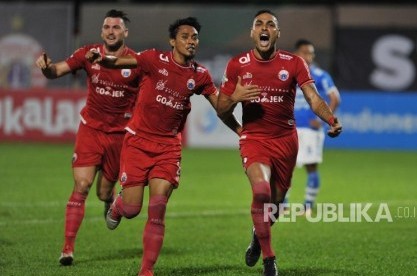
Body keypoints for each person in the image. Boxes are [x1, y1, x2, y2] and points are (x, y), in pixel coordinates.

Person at [85, 17, 244, 276]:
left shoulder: (199, 75)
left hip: (168, 148)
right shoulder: (153, 59)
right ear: (173, 41)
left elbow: (221, 109)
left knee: (158, 208)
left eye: (194, 37)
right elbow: (119, 61)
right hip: (137, 143)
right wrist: (100, 59)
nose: (191, 41)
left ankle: (146, 270)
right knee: (133, 209)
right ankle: (118, 205)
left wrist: (239, 127)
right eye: (185, 37)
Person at [216, 10, 342, 276]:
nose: (264, 28)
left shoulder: (294, 63)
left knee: (274, 205)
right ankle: (270, 261)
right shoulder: (237, 64)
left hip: (286, 141)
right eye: (259, 24)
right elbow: (221, 109)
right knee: (261, 193)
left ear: (277, 33)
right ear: (252, 33)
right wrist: (235, 97)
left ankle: (256, 237)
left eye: (270, 24)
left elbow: (313, 98)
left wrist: (331, 119)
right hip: (255, 139)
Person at [35, 10, 142, 266]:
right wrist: (47, 68)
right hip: (90, 130)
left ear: (125, 32)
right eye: (107, 27)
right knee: (81, 185)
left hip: (118, 136)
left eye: (116, 27)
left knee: (104, 192)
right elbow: (57, 70)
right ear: (101, 31)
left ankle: (109, 200)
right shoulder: (88, 53)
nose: (111, 31)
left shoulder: (136, 62)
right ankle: (67, 248)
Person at [285, 39, 341, 215]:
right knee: (285, 167)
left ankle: (308, 206)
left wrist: (325, 119)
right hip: (290, 128)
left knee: (311, 166)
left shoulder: (321, 75)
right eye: (304, 52)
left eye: (311, 53)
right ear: (296, 54)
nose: (308, 56)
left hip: (310, 130)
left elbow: (335, 98)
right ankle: (283, 205)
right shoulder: (288, 74)